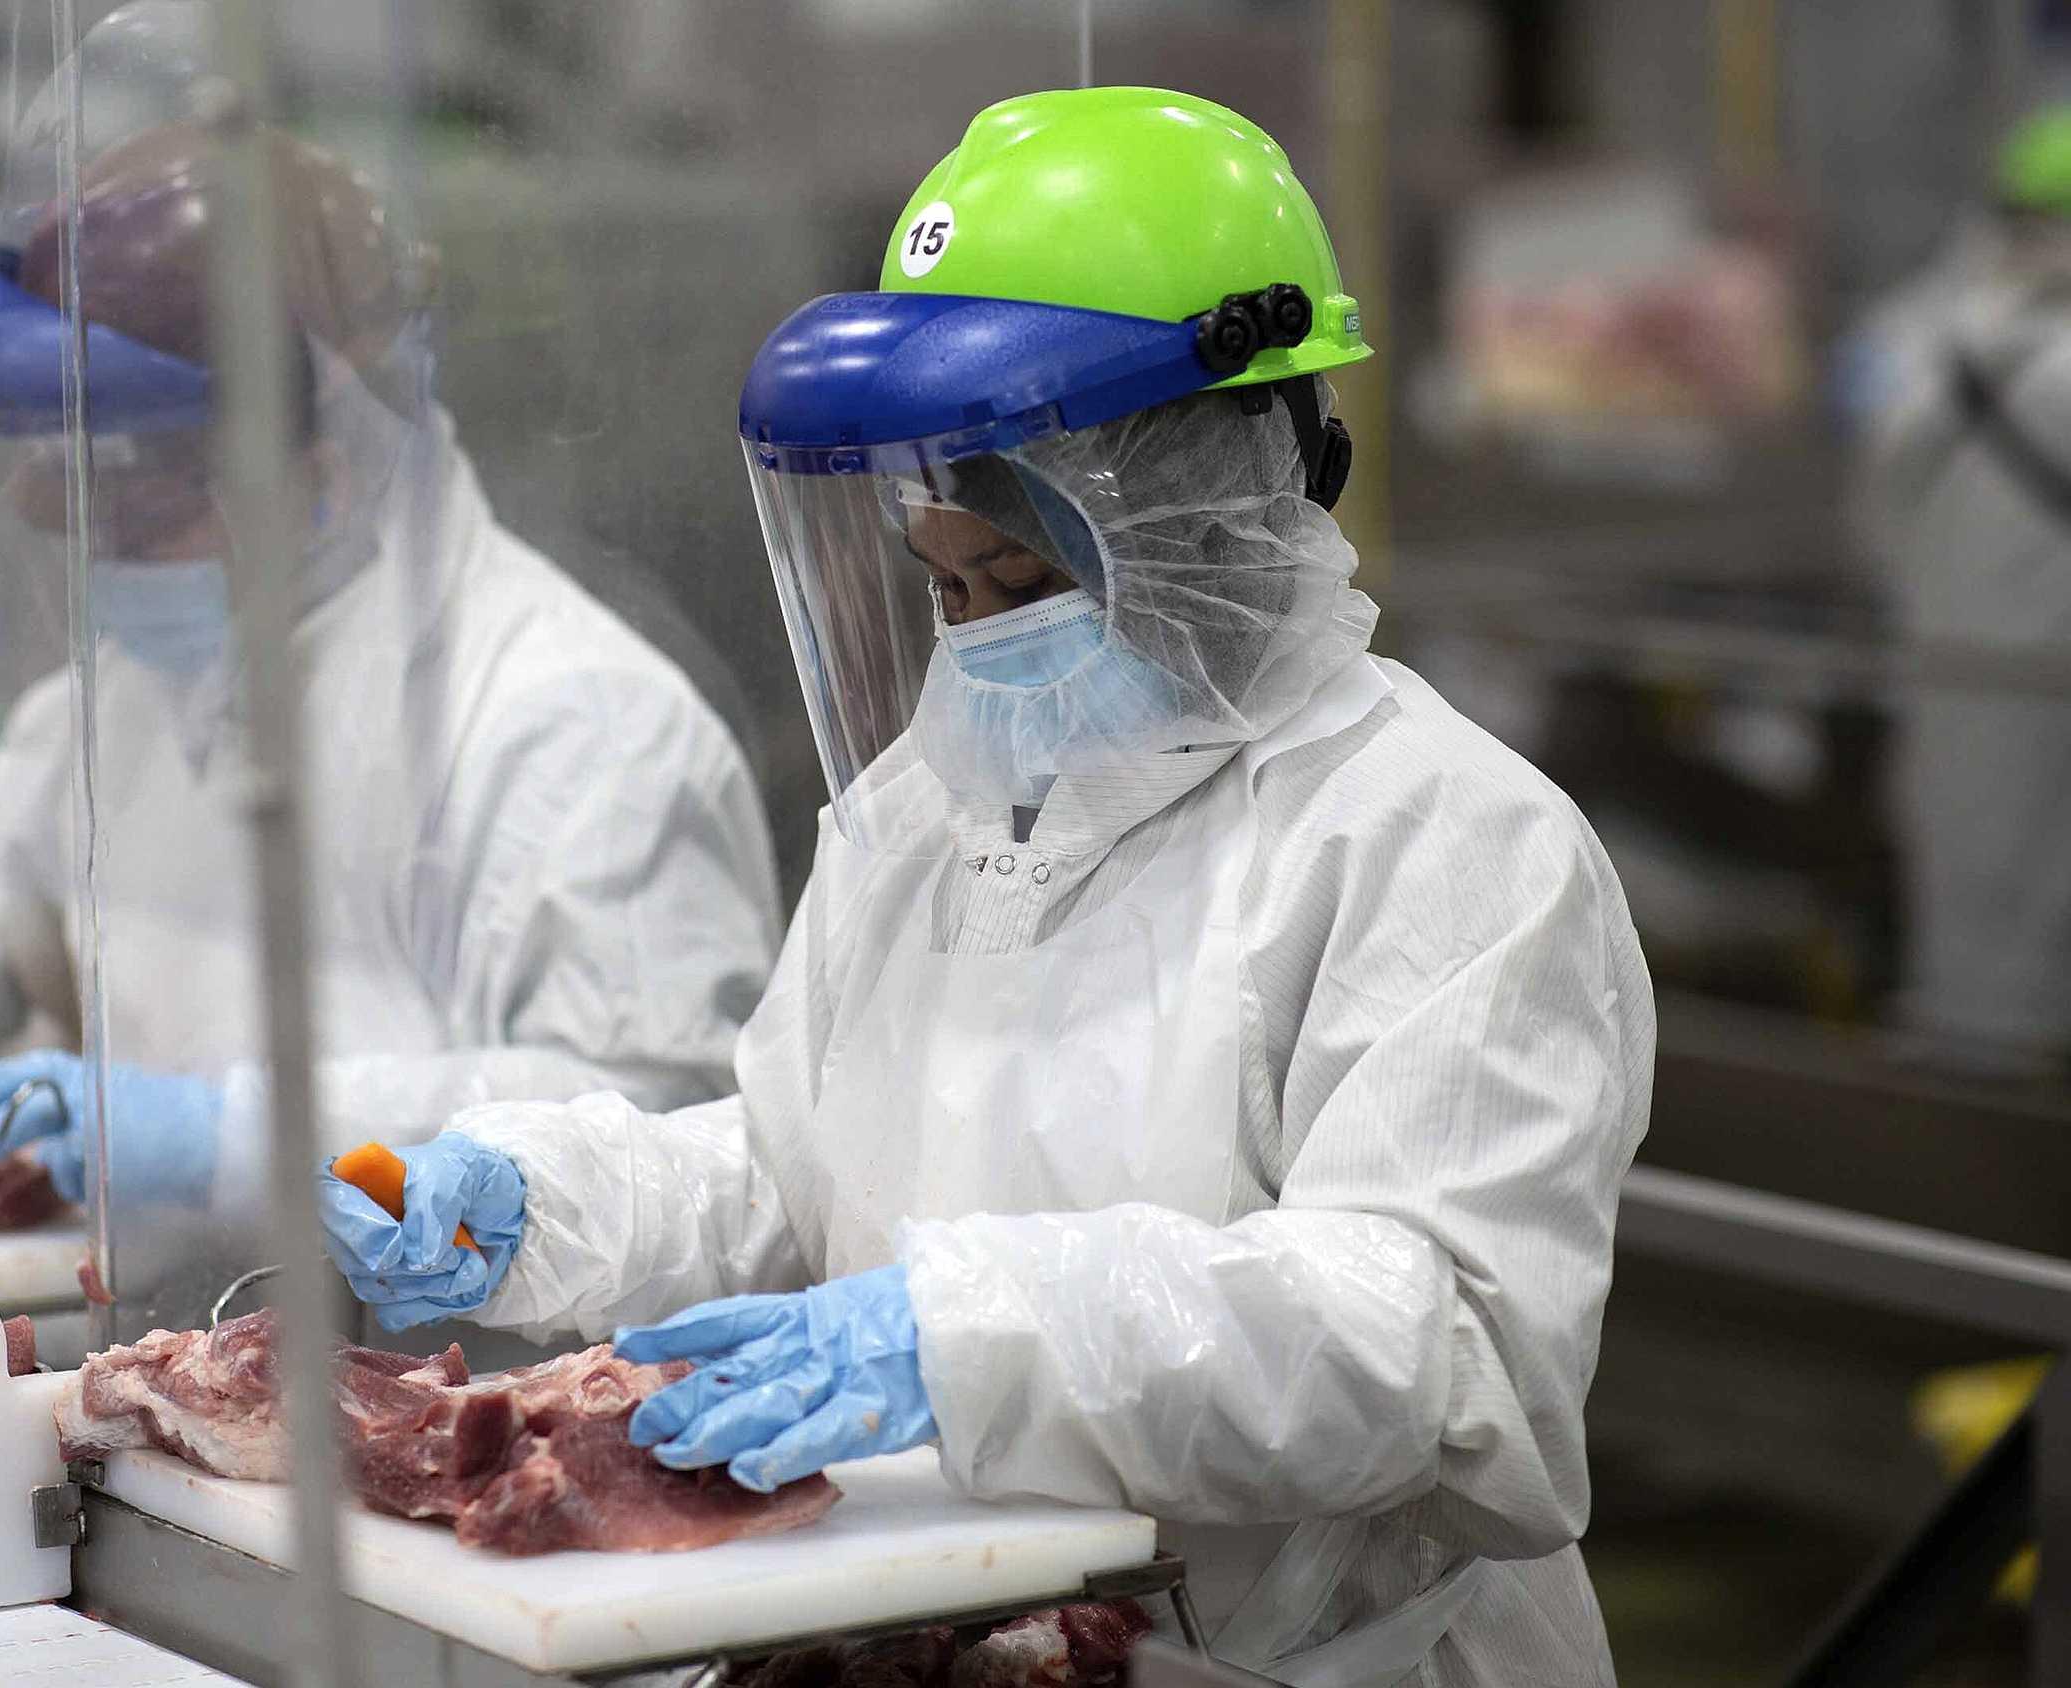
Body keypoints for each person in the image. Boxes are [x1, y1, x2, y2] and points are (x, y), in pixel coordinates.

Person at [319, 89, 1652, 1686]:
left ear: (1207, 511)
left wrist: (951, 1338)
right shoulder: (935, 815)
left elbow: (1425, 1345)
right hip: (961, 1634)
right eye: (946, 584)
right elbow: (790, 1176)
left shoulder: (1440, 838)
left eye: (1023, 579)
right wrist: (543, 1205)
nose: (980, 638)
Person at [0, 6, 782, 1218]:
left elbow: (661, 1131)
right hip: (189, 1367)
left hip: (461, 1386)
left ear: (330, 457)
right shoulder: (141, 695)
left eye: (140, 499)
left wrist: (230, 1135)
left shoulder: (576, 728)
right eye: (76, 489)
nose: (95, 544)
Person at [1846, 102, 2071, 1071]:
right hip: (2044, 696)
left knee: (1965, 891)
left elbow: (1868, 524)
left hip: (1939, 676)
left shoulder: (1908, 341)